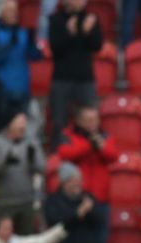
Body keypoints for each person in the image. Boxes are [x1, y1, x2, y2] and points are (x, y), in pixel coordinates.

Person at [56, 104, 118, 243]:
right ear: (79, 121)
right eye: (89, 120)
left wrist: (100, 146)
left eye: (96, 119)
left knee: (100, 242)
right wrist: (88, 146)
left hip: (100, 198)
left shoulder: (104, 136)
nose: (93, 124)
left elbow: (113, 155)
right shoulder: (68, 135)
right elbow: (65, 155)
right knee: (73, 241)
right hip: (75, 199)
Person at [48, 0, 104, 148]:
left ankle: (88, 155)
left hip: (85, 78)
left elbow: (97, 45)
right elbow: (55, 48)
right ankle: (58, 157)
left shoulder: (91, 19)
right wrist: (69, 34)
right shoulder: (56, 20)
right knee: (59, 122)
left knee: (90, 121)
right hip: (62, 79)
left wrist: (87, 33)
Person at [0, 112, 46, 238]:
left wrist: (32, 158)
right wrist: (5, 163)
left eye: (24, 125)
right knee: (3, 237)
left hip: (26, 200)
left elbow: (42, 167)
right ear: (10, 125)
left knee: (27, 239)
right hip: (4, 203)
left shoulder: (31, 143)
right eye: (19, 124)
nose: (23, 128)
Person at [0, 0, 43, 116]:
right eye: (10, 11)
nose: (13, 14)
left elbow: (36, 56)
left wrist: (32, 41)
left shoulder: (23, 32)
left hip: (22, 91)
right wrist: (10, 44)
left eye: (15, 11)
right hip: (1, 92)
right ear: (1, 13)